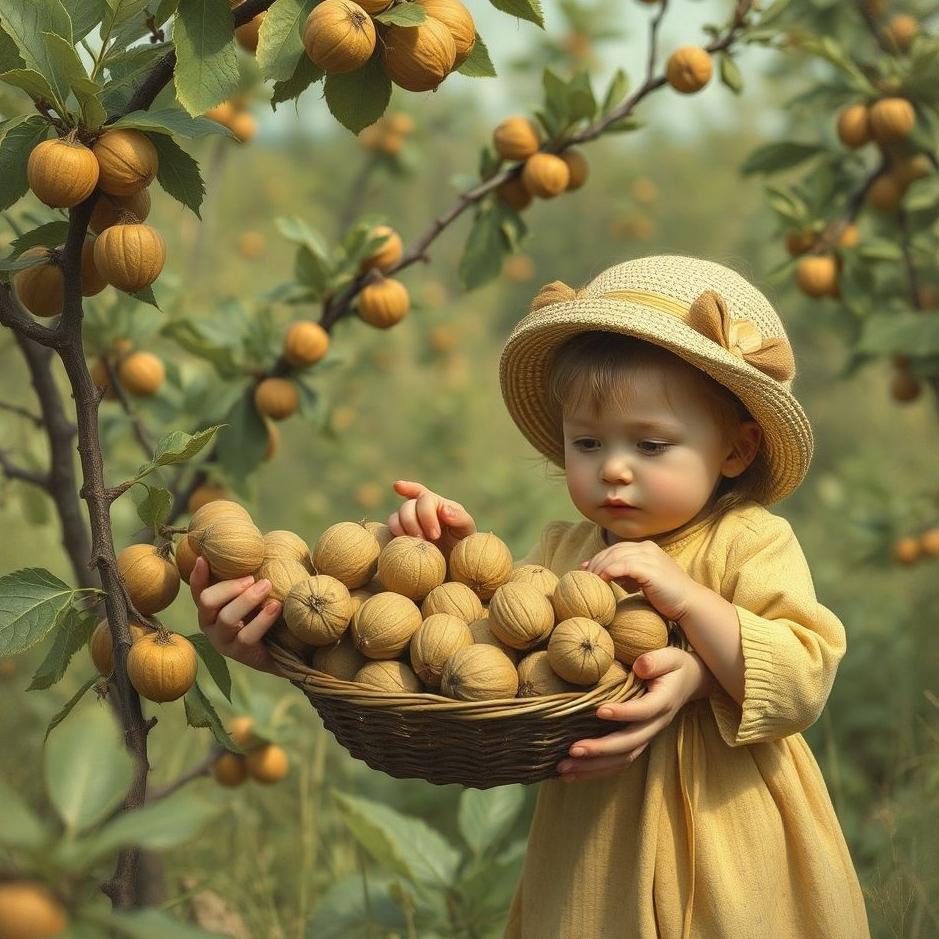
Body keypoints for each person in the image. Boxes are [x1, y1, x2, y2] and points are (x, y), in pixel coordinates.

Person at [192, 254, 871, 938]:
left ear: (734, 449)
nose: (612, 467)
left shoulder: (748, 540)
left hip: (731, 832)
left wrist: (695, 637)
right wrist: (443, 558)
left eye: (650, 444)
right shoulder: (563, 550)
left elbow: (804, 673)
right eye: (586, 441)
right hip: (597, 843)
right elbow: (487, 648)